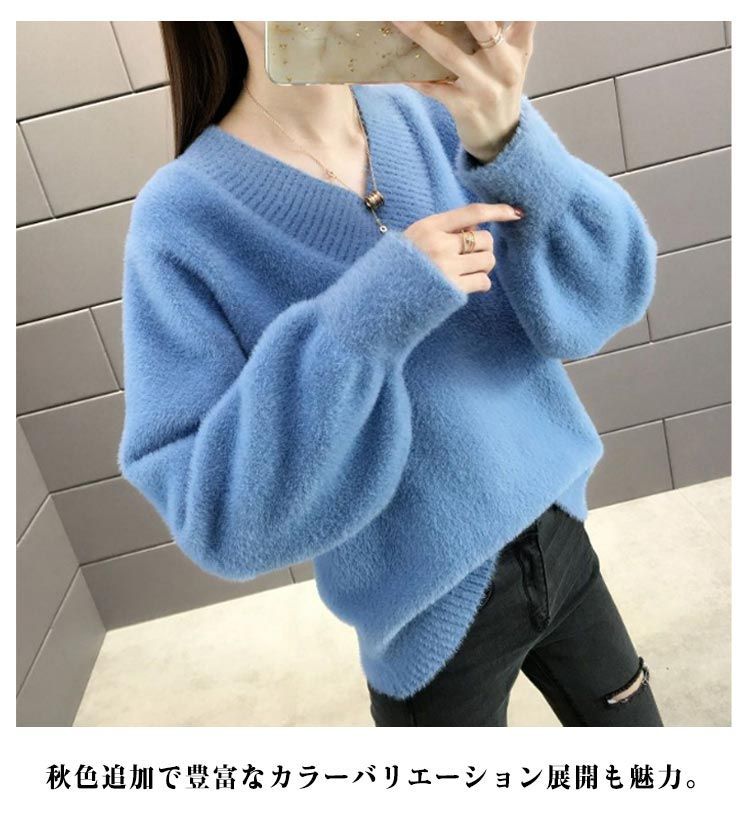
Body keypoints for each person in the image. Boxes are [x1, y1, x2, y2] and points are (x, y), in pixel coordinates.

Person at [118, 20, 664, 726]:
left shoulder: (436, 110)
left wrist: (509, 142)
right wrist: (370, 311)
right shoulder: (181, 220)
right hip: (423, 615)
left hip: (558, 534)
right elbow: (216, 517)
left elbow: (612, 290)